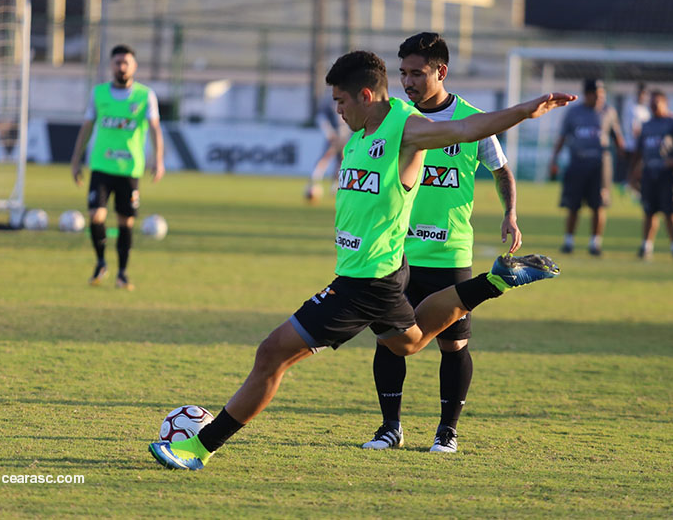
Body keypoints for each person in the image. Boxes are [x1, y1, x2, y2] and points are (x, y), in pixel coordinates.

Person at [148, 51, 573, 470]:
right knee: (408, 343)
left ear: (365, 95)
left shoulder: (405, 130)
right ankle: (495, 281)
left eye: (340, 102)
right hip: (383, 275)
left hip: (363, 283)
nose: (337, 111)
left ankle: (198, 449)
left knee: (272, 352)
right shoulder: (358, 137)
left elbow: (466, 127)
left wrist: (524, 110)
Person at [361, 32, 521, 454]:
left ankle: (446, 432)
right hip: (397, 252)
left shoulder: (472, 121)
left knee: (454, 345)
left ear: (440, 72)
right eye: (403, 74)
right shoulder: (396, 118)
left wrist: (510, 213)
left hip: (449, 253)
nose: (408, 82)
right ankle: (389, 428)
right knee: (389, 340)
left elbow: (501, 170)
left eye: (417, 73)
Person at [70, 44, 165, 290]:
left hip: (129, 169)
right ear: (111, 65)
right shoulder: (99, 94)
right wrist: (75, 159)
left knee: (126, 222)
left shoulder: (145, 96)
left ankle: (122, 273)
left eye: (126, 62)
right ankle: (101, 262)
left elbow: (155, 129)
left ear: (134, 66)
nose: (121, 67)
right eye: (117, 62)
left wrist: (159, 159)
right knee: (96, 215)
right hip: (101, 165)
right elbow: (87, 127)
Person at [549, 79, 625, 256]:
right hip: (578, 162)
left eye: (602, 95)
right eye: (596, 95)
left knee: (599, 204)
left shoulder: (608, 111)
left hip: (600, 165)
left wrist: (625, 157)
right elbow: (562, 137)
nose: (599, 99)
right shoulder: (573, 113)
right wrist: (554, 159)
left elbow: (617, 137)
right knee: (573, 205)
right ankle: (568, 241)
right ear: (587, 95)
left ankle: (595, 243)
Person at [628, 89, 673, 260]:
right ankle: (646, 246)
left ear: (665, 103)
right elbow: (639, 152)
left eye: (656, 102)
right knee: (649, 211)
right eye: (651, 103)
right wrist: (632, 173)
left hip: (667, 174)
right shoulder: (646, 125)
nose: (653, 105)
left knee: (670, 212)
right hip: (649, 173)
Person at [305, 95, 350, 202]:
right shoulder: (330, 104)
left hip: (345, 136)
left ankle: (335, 186)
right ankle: (314, 182)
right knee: (325, 158)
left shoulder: (348, 101)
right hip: (334, 136)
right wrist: (329, 133)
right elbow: (321, 119)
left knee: (341, 162)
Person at [620, 82, 651, 188]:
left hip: (643, 145)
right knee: (634, 168)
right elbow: (633, 129)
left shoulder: (645, 109)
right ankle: (628, 186)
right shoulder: (632, 108)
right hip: (633, 145)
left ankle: (631, 186)